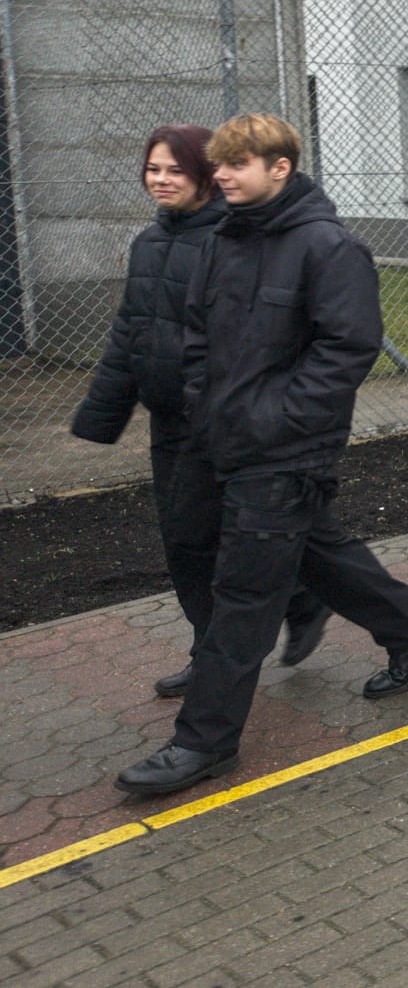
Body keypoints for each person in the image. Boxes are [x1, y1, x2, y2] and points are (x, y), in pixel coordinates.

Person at [114, 115, 408, 797]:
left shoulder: (329, 247)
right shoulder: (224, 240)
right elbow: (199, 335)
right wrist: (206, 402)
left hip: (288, 449)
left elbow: (347, 348)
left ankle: (203, 742)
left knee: (243, 592)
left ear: (280, 168)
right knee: (312, 552)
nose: (223, 176)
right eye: (220, 165)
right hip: (220, 439)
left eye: (237, 164)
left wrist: (277, 420)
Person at [72, 125, 327, 700]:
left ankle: (273, 622)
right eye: (153, 169)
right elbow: (131, 331)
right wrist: (101, 413)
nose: (161, 180)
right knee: (186, 542)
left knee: (228, 537)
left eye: (175, 170)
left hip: (226, 419)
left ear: (207, 175)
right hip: (171, 421)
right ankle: (260, 622)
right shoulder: (149, 243)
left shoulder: (233, 240)